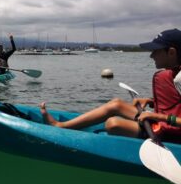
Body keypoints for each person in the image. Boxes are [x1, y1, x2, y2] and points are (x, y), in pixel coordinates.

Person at [40, 28, 181, 142]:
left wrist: (161, 118)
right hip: (163, 122)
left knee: (113, 124)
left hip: (172, 133)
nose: (151, 56)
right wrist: (150, 101)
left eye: (156, 51)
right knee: (116, 104)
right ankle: (61, 126)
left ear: (171, 52)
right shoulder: (174, 73)